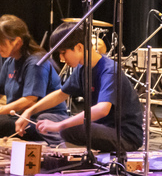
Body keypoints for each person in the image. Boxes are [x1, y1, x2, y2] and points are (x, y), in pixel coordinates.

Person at [16, 21, 142, 152]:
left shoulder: (109, 70)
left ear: (79, 47)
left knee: (67, 128)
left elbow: (102, 110)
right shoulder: (82, 68)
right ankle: (69, 145)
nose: (61, 58)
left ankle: (68, 145)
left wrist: (60, 125)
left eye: (63, 52)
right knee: (44, 119)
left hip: (124, 136)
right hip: (98, 127)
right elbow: (61, 94)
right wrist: (29, 111)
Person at [0, 15, 69, 141]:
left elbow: (29, 100)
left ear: (17, 42)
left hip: (42, 121)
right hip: (19, 118)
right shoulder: (9, 62)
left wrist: (2, 109)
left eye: (1, 42)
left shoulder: (36, 63)